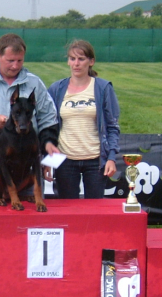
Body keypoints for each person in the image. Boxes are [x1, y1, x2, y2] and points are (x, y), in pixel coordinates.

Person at [0, 33, 60, 190]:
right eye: (10, 61)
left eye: (20, 60)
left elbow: (49, 120)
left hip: (28, 173)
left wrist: (48, 143)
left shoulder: (35, 84)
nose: (15, 66)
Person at [46, 39, 120, 199]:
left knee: (94, 209)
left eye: (81, 59)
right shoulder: (56, 89)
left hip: (95, 161)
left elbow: (112, 126)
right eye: (72, 59)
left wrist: (111, 157)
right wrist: (46, 157)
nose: (76, 63)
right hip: (65, 159)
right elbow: (47, 124)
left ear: (91, 61)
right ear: (68, 61)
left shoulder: (103, 88)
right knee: (68, 209)